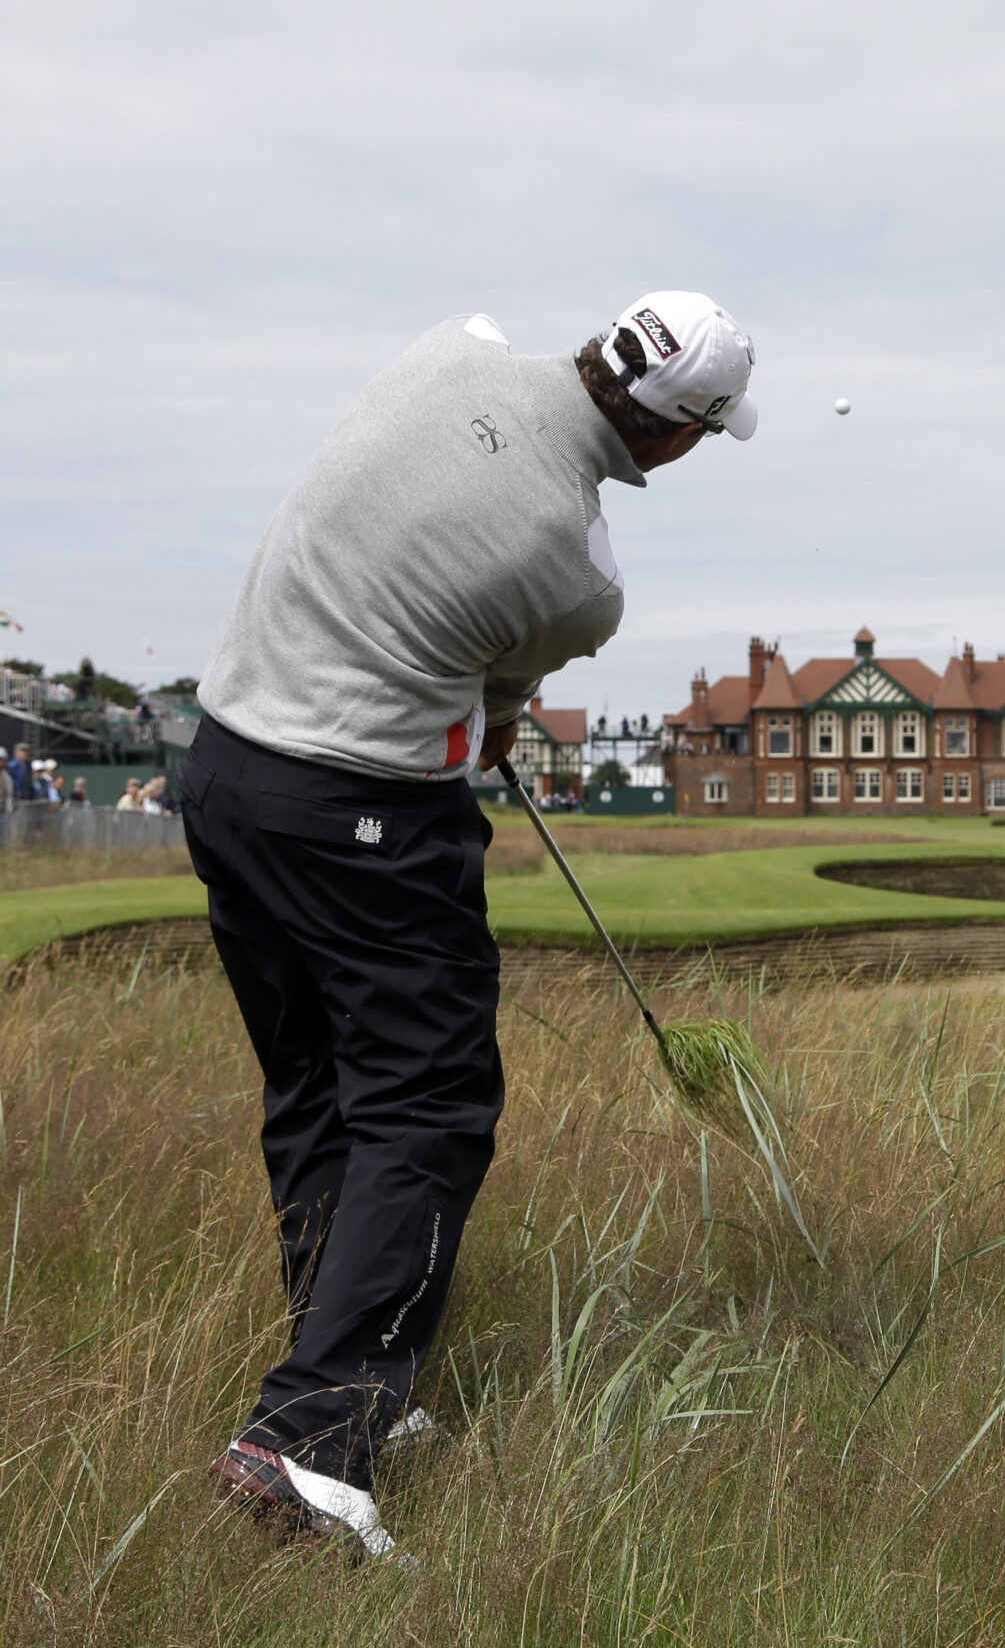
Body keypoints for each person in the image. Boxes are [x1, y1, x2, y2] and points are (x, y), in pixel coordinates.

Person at [184, 292, 756, 1558]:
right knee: (429, 1105)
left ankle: (348, 1383)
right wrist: (490, 712)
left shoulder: (452, 345)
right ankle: (310, 1443)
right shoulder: (580, 576)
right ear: (678, 436)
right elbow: (499, 706)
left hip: (222, 769)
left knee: (320, 1084)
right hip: (357, 812)